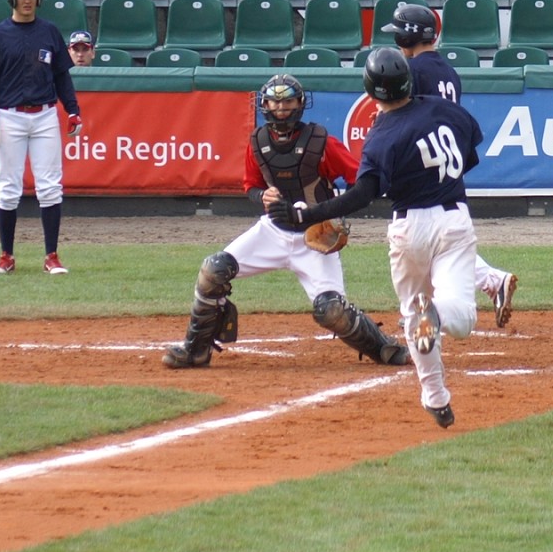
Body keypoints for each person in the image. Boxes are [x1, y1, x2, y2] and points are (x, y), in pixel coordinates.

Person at [270, 49, 483, 429]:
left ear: (370, 92)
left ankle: (435, 396)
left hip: (408, 228)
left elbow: (363, 194)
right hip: (453, 220)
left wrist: (307, 214)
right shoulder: (446, 109)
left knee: (413, 314)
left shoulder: (382, 136)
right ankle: (435, 316)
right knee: (461, 318)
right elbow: (468, 155)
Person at [162, 74, 410, 370]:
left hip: (315, 237)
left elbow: (361, 182)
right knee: (213, 269)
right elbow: (251, 186)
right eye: (274, 102)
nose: (280, 108)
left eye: (288, 101)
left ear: (300, 103)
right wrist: (262, 196)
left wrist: (335, 213)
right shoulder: (258, 141)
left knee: (331, 310)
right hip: (272, 232)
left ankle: (384, 348)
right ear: (264, 105)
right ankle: (196, 350)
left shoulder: (320, 141)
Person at [382, 3, 517, 328]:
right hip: (448, 153)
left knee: (423, 230)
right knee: (442, 235)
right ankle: (489, 282)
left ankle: (425, 311)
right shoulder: (448, 70)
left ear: (407, 36)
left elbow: (406, 116)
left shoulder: (412, 70)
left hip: (424, 155)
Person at [0, 0, 82, 275]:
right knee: (7, 188)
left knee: (49, 187)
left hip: (45, 114)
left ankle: (51, 256)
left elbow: (62, 76)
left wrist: (72, 110)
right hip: (8, 115)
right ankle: (7, 255)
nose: (27, 0)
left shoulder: (49, 32)